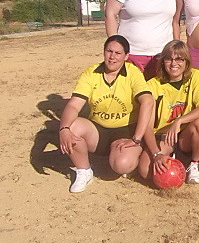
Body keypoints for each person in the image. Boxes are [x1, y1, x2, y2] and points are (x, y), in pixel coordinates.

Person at [58, 35, 153, 193]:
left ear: (126, 56)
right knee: (72, 127)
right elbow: (74, 105)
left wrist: (136, 138)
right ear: (104, 52)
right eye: (109, 51)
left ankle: (133, 154)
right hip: (98, 129)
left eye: (118, 53)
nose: (112, 57)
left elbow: (148, 101)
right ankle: (84, 171)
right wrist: (63, 129)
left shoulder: (133, 73)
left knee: (121, 165)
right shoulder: (91, 73)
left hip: (126, 130)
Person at [138, 40, 199, 185]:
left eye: (179, 59)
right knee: (145, 172)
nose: (173, 63)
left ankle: (194, 164)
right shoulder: (153, 85)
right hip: (163, 138)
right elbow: (147, 126)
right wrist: (156, 154)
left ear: (186, 61)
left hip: (185, 136)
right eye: (169, 59)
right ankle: (172, 158)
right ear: (163, 62)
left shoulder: (195, 76)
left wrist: (179, 121)